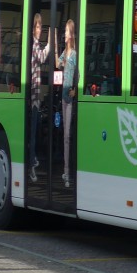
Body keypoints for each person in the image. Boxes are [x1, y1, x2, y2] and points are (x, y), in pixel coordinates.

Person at [27, 12, 52, 182]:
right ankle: (31, 164)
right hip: (33, 95)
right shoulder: (34, 45)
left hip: (34, 95)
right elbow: (42, 58)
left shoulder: (33, 45)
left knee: (33, 132)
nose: (39, 29)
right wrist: (50, 44)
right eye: (37, 26)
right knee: (33, 133)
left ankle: (32, 159)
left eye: (40, 26)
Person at [56, 18, 77, 188]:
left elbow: (79, 73)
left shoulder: (75, 54)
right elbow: (57, 64)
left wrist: (75, 89)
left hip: (70, 96)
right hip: (63, 96)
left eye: (66, 32)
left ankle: (68, 172)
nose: (65, 35)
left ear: (71, 34)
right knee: (65, 135)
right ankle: (65, 170)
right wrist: (55, 46)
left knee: (68, 135)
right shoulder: (65, 52)